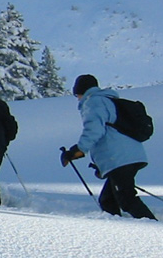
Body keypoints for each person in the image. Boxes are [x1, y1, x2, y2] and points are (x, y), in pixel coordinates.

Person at [61, 74, 157, 220]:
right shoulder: (107, 100)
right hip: (128, 156)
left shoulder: (93, 102)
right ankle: (115, 230)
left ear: (81, 91)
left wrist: (78, 150)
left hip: (120, 158)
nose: (78, 98)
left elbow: (94, 130)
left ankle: (155, 230)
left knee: (126, 199)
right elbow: (110, 134)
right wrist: (102, 165)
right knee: (108, 201)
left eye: (77, 95)